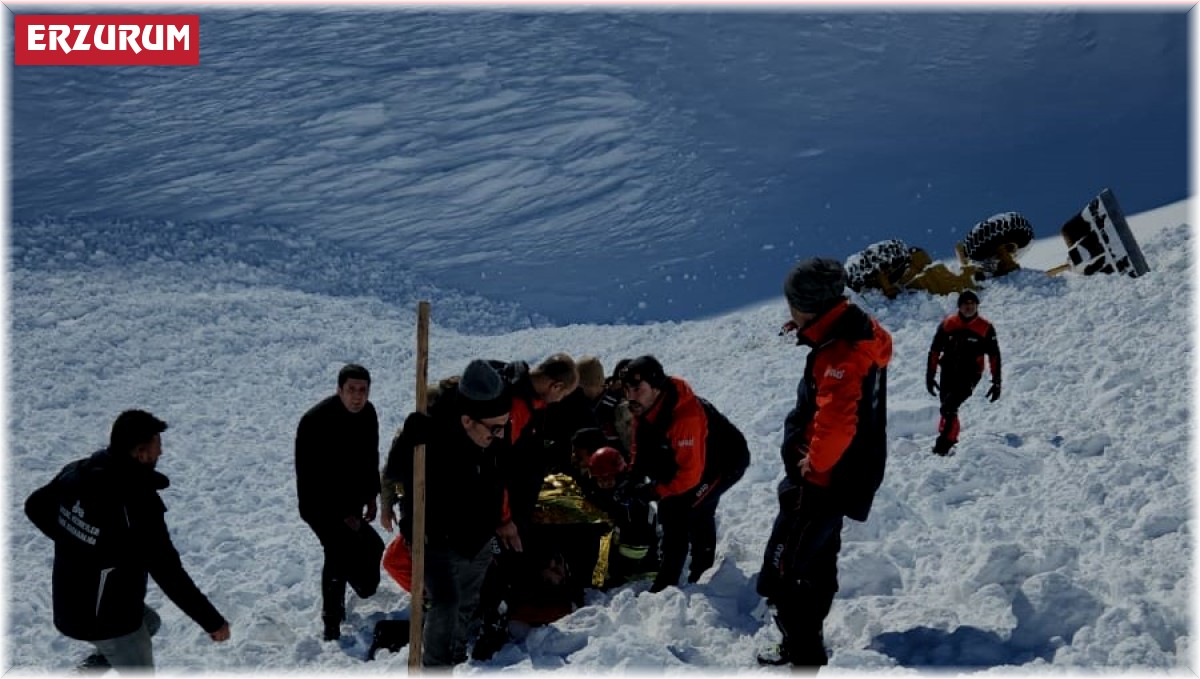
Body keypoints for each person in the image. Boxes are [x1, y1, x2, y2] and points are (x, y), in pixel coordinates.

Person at [756, 258, 891, 668]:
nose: (790, 312)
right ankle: (805, 641)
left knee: (785, 568)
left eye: (794, 304)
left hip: (825, 480)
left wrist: (810, 470)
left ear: (811, 306)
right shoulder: (855, 328)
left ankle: (803, 656)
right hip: (846, 475)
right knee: (818, 558)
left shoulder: (840, 352)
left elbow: (834, 427)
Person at [24, 410, 231, 672]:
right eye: (158, 446)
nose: (161, 453)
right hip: (109, 621)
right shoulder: (136, 506)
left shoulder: (77, 473)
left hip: (70, 601)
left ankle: (89, 671)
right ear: (141, 453)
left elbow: (35, 506)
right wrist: (212, 622)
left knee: (151, 622)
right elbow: (168, 573)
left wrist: (78, 540)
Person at [382, 359, 519, 667]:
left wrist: (503, 520)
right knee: (445, 604)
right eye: (495, 428)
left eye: (504, 425)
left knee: (465, 605)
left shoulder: (492, 431)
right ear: (467, 420)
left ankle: (452, 659)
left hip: (478, 539)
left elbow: (497, 478)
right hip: (436, 539)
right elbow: (395, 472)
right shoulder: (430, 433)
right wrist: (407, 442)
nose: (501, 435)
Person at [619, 355, 750, 593]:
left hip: (725, 463)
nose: (630, 396)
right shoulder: (647, 405)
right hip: (697, 460)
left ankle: (670, 580)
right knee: (694, 507)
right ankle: (702, 566)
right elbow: (642, 444)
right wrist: (632, 477)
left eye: (637, 388)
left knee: (678, 509)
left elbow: (689, 477)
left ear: (656, 385)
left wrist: (653, 491)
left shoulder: (684, 415)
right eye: (627, 389)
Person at [295, 363, 384, 641]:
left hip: (352, 500)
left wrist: (371, 495)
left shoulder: (368, 414)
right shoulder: (315, 421)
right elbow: (311, 477)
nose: (357, 396)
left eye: (363, 390)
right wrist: (343, 513)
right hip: (318, 504)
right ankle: (331, 621)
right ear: (339, 390)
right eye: (351, 390)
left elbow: (371, 456)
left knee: (372, 548)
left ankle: (359, 587)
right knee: (338, 550)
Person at [925, 289, 1002, 456]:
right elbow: (934, 351)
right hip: (948, 371)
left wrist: (997, 382)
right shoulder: (948, 324)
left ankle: (944, 445)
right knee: (946, 408)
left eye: (972, 304)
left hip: (970, 373)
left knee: (949, 406)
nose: (969, 307)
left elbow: (994, 356)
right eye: (965, 304)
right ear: (959, 307)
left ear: (977, 306)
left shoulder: (985, 328)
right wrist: (930, 376)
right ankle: (948, 436)